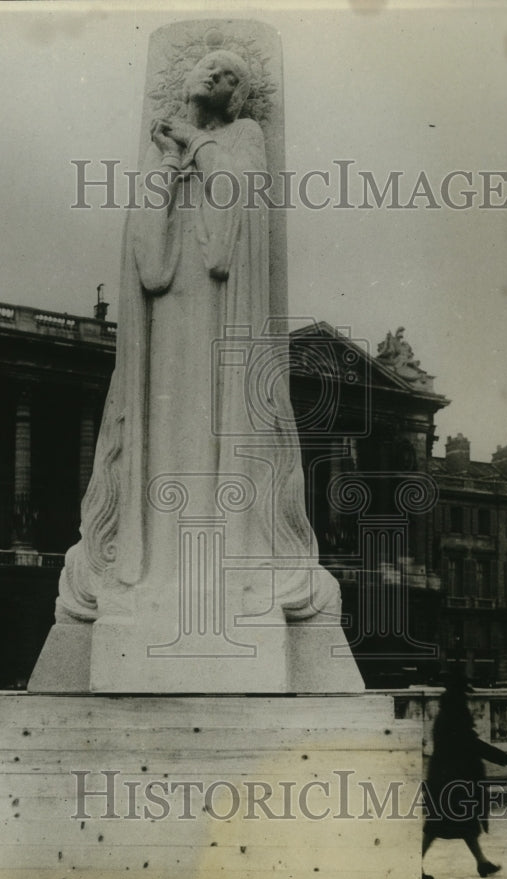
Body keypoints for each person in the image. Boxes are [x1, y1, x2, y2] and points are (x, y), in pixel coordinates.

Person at [58, 48, 342, 633]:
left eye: (230, 72)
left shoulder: (245, 134)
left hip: (222, 315)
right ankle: (157, 570)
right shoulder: (163, 147)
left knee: (218, 432)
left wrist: (197, 144)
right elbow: (146, 256)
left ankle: (224, 571)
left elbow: (236, 214)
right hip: (167, 319)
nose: (215, 74)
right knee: (163, 433)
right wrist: (166, 164)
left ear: (239, 94)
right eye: (208, 65)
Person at [421, 672, 507, 879]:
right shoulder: (454, 716)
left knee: (463, 824)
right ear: (458, 694)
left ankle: (482, 862)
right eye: (464, 693)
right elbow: (470, 744)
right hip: (451, 780)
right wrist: (502, 757)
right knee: (438, 826)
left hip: (449, 777)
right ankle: (413, 864)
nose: (467, 697)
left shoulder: (449, 713)